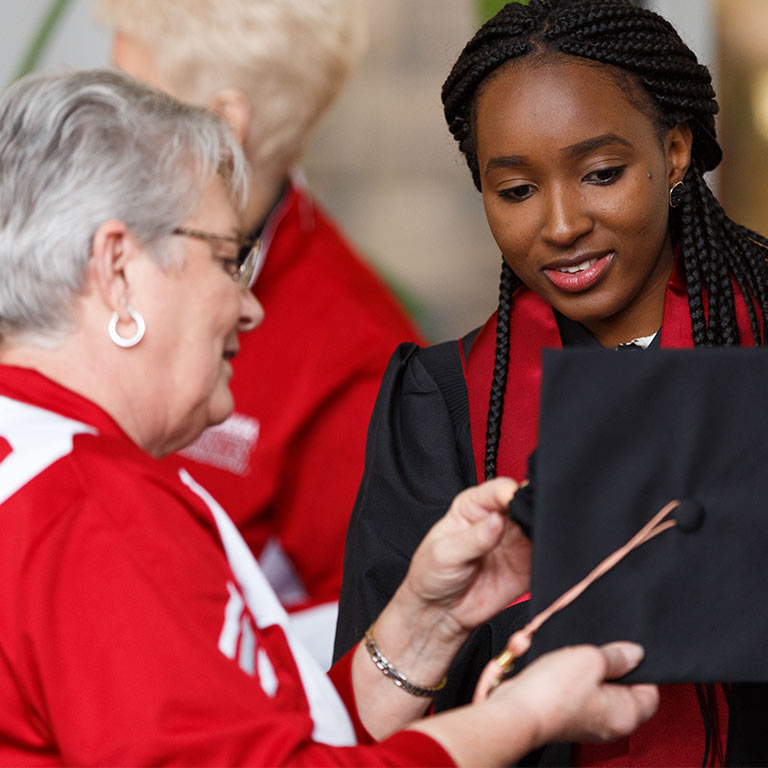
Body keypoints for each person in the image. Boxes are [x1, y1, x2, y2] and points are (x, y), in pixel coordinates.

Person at [0, 67, 658, 767]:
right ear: (118, 268)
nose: (249, 306)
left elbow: (266, 745)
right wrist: (522, 718)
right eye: (228, 259)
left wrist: (425, 624)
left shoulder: (46, 464)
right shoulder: (94, 508)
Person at [334, 0, 768, 765]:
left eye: (601, 173)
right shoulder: (445, 409)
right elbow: (378, 718)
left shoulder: (757, 339)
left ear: (673, 152)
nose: (561, 223)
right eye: (516, 191)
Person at [94, 0, 425, 667]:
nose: (102, 125)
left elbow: (363, 634)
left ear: (221, 126)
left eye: (129, 96)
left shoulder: (355, 354)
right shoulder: (85, 243)